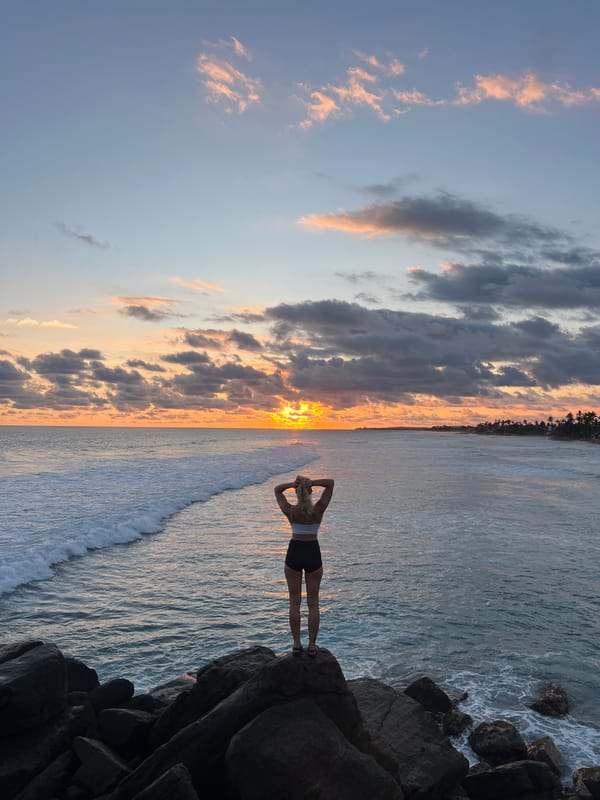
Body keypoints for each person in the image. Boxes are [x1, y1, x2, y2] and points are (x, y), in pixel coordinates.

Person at [273, 474, 334, 656]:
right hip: (312, 552)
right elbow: (330, 483)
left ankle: (297, 644)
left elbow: (277, 490)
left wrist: (294, 484)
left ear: (297, 493)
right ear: (310, 492)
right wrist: (311, 482)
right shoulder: (318, 510)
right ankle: (312, 646)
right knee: (313, 604)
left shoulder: (291, 511)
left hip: (295, 551)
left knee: (295, 603)